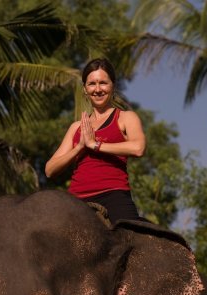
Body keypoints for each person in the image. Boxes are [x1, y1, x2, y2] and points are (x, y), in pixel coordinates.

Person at [45, 57, 146, 223]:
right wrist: (79, 147)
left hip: (114, 194)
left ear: (113, 85)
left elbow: (138, 148)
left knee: (131, 241)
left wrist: (95, 145)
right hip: (76, 199)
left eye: (103, 83)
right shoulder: (76, 128)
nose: (97, 89)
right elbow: (50, 169)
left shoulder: (126, 117)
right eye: (92, 84)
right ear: (85, 89)